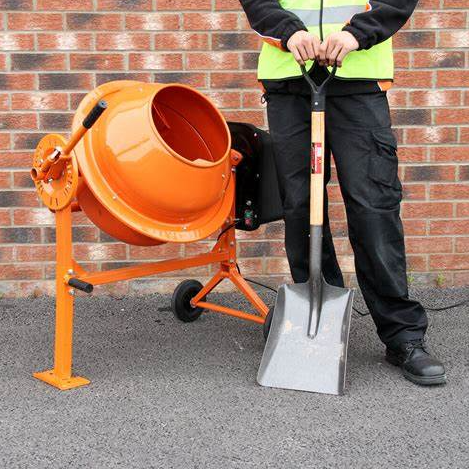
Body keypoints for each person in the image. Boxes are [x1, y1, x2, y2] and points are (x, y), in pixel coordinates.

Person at [239, 0, 446, 385]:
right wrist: (289, 32)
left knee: (374, 207)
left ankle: (402, 334)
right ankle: (319, 317)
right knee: (299, 206)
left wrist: (355, 34)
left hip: (357, 79)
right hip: (290, 81)